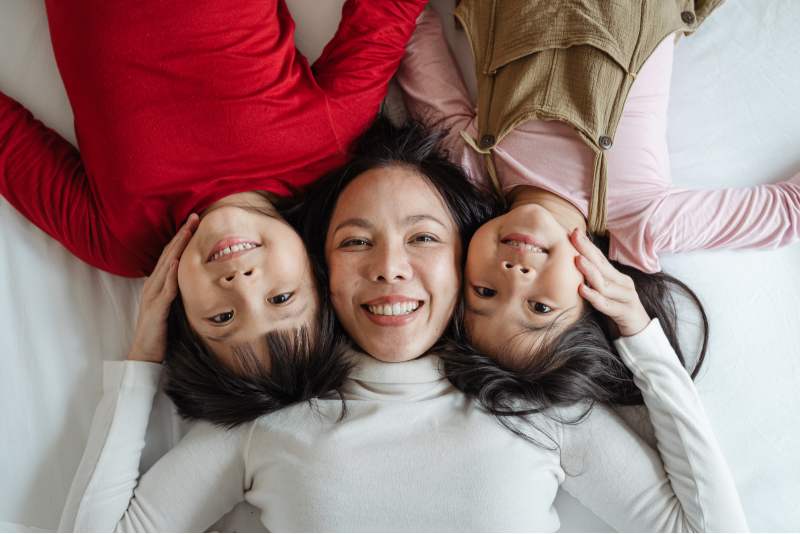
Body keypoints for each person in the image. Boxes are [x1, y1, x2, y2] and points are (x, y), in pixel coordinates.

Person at [59, 117, 748, 532]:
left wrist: (639, 337)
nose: (389, 268)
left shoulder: (533, 410)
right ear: (320, 274)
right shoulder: (270, 417)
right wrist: (145, 351)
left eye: (423, 240)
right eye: (355, 242)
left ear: (468, 259)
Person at [0, 0, 427, 419]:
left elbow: (6, 143)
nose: (240, 283)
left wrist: (147, 349)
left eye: (222, 317)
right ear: (316, 268)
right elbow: (386, 14)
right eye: (281, 297)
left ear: (181, 314)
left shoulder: (120, 240)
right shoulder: (327, 149)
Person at [395, 6, 800, 415]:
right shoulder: (643, 218)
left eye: (485, 292)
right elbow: (789, 210)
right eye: (540, 308)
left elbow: (411, 35)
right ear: (595, 303)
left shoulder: (468, 164)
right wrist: (632, 322)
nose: (514, 277)